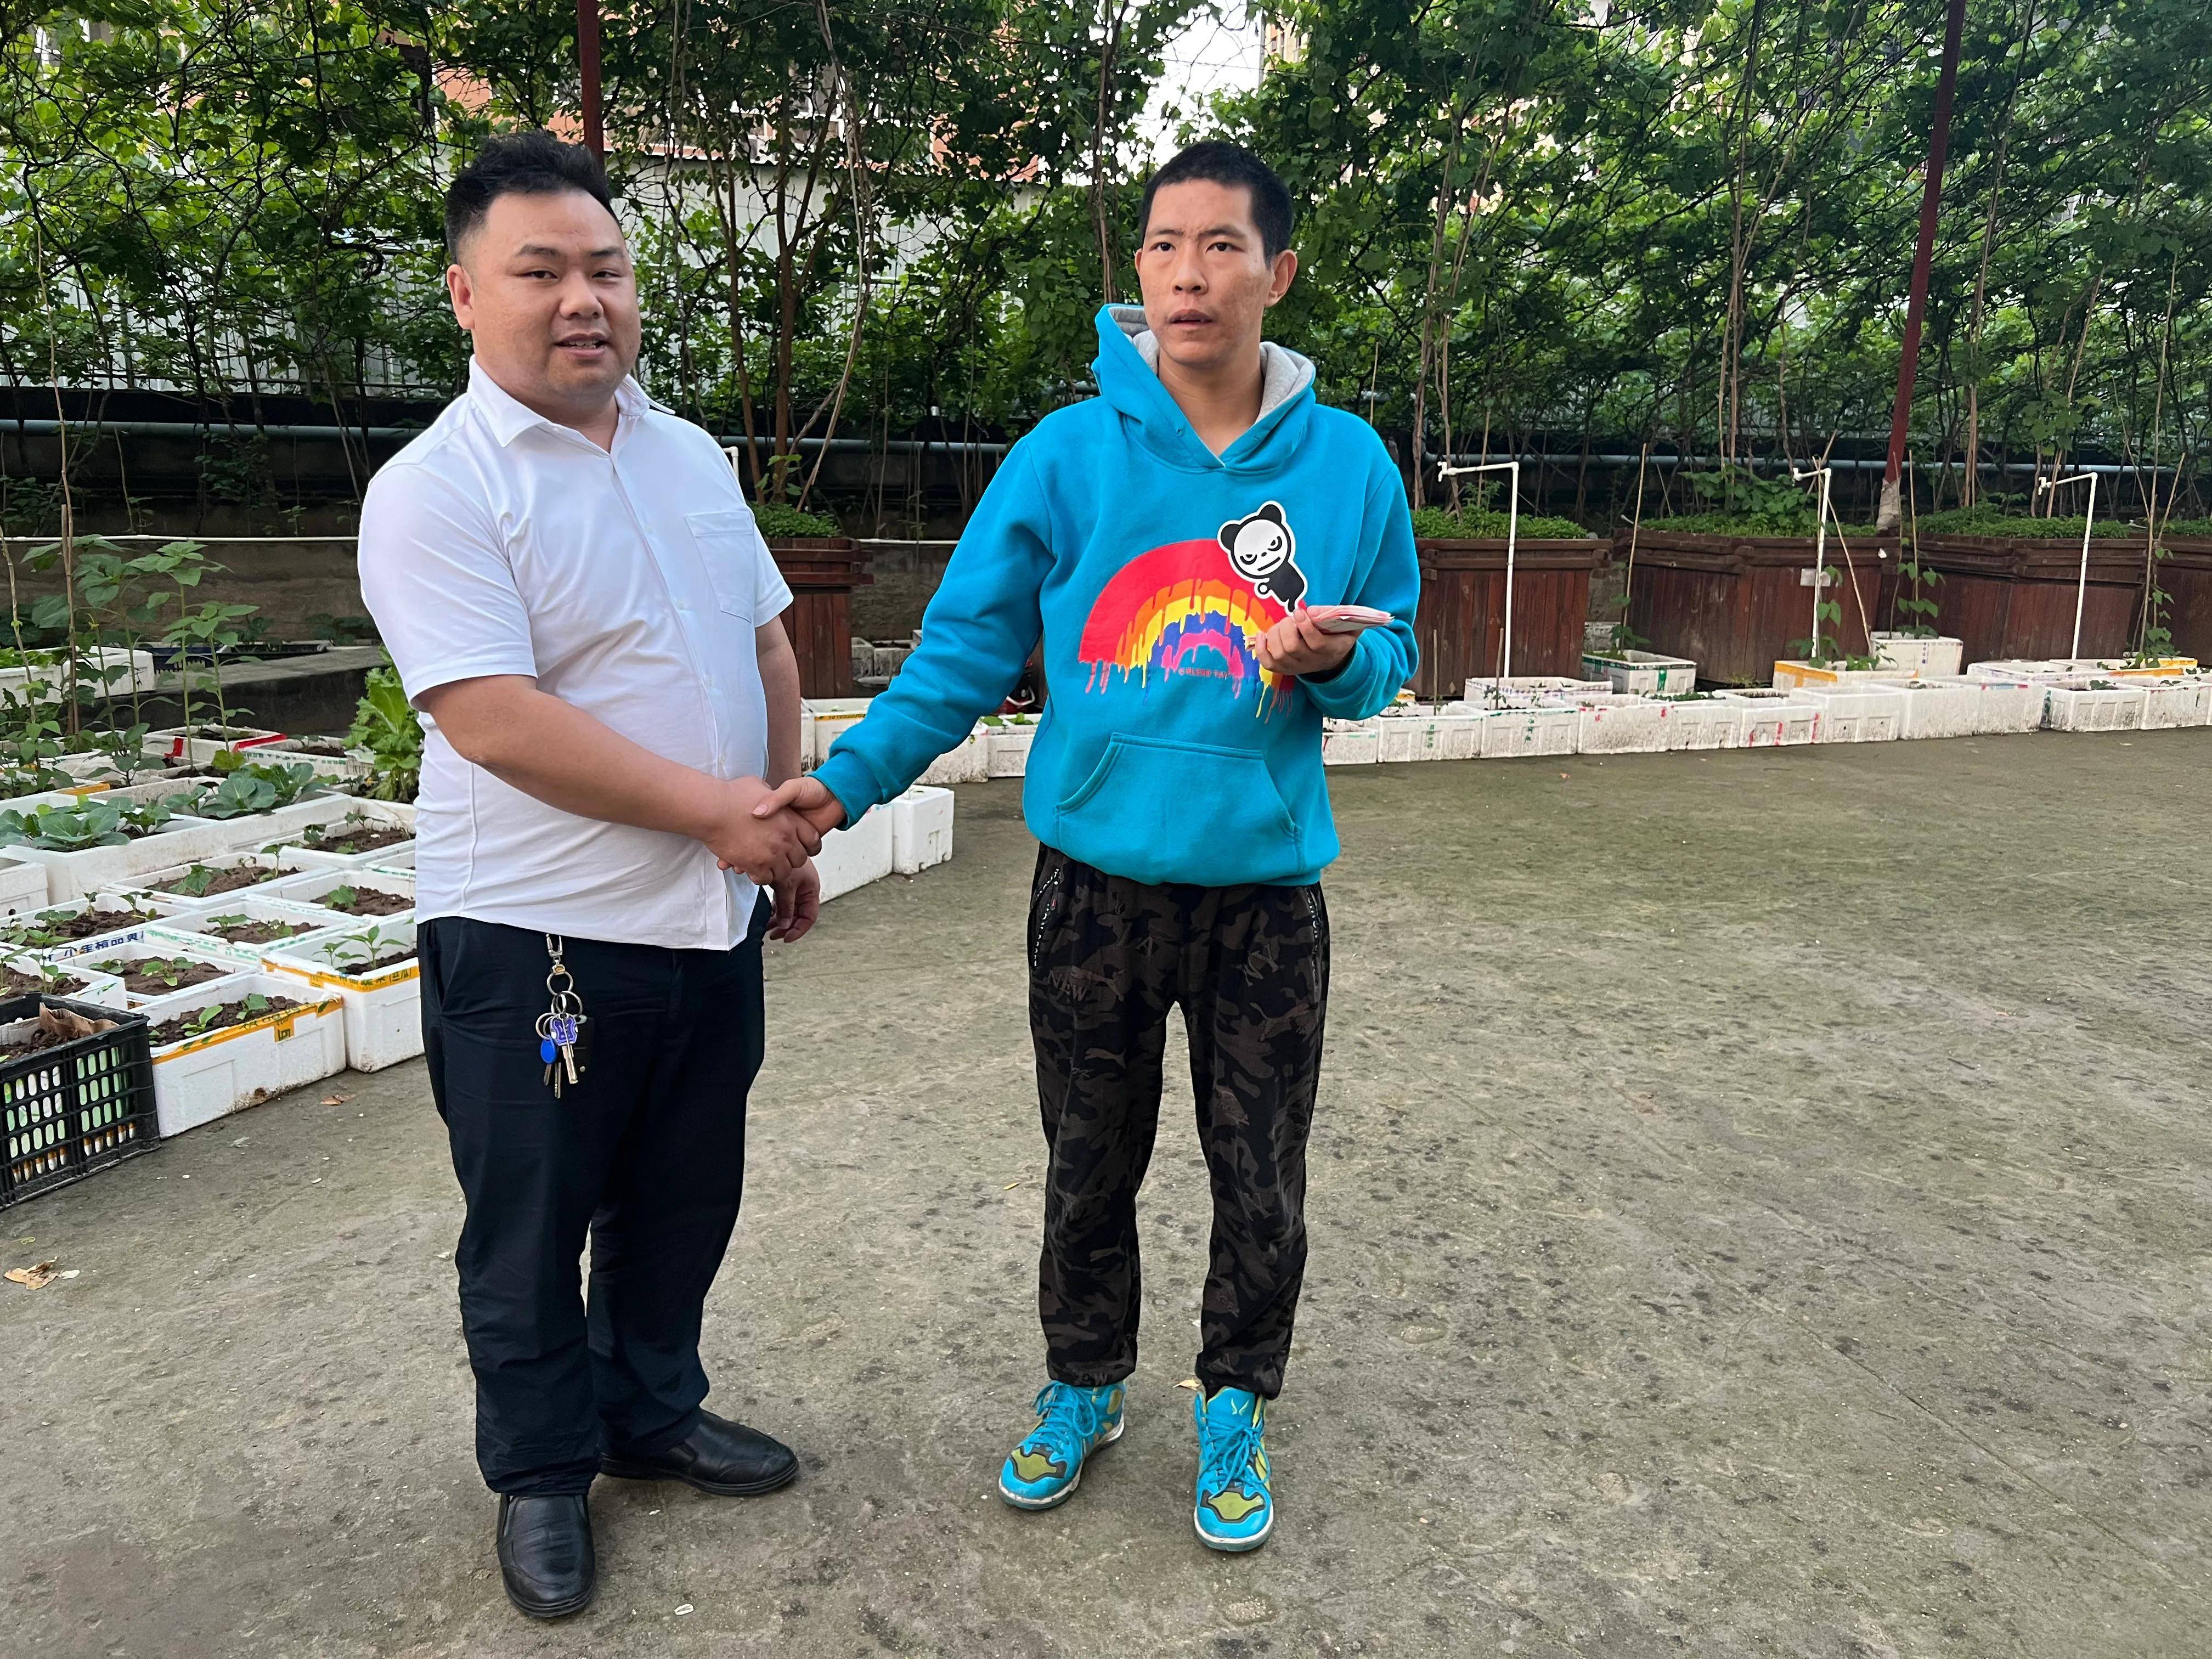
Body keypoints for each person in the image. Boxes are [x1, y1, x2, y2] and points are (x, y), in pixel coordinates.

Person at [757, 140, 1419, 1551]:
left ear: (1279, 273)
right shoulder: (1066, 455)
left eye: (1224, 246)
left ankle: (1235, 1400)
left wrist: (1330, 664)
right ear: (1140, 272)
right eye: (1166, 245)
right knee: (1087, 1159)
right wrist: (843, 786)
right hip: (1094, 889)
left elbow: (1392, 653)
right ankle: (1084, 1382)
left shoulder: (1351, 466)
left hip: (1266, 897)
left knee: (1263, 1171)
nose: (1191, 274)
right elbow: (961, 656)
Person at [357, 131, 826, 1620]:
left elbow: (765, 641)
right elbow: (490, 717)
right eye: (541, 272)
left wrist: (781, 820)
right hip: (534, 938)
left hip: (708, 918)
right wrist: (716, 816)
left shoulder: (685, 454)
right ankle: (545, 1472)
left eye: (607, 270)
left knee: (684, 1199)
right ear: (465, 294)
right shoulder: (438, 490)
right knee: (531, 1224)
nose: (584, 301)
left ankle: (650, 1412)